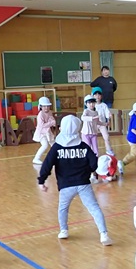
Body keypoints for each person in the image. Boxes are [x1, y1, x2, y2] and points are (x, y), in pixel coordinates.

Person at [37, 115, 111, 245]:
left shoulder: (57, 147)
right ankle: (104, 234)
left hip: (66, 185)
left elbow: (47, 164)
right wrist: (87, 171)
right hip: (84, 184)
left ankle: (63, 230)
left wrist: (41, 180)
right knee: (94, 208)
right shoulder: (83, 146)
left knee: (63, 209)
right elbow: (94, 163)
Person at [121, 102, 136, 171]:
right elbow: (133, 130)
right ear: (135, 112)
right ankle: (123, 163)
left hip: (133, 138)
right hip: (134, 139)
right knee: (134, 154)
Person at [32, 97, 56, 165]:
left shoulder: (50, 112)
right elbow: (42, 125)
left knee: (53, 144)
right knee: (45, 145)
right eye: (44, 106)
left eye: (48, 106)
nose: (46, 108)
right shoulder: (40, 115)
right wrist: (51, 123)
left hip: (47, 132)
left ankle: (57, 157)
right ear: (40, 106)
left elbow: (52, 120)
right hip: (41, 133)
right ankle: (36, 158)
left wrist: (53, 122)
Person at [91, 87, 114, 155]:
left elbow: (107, 113)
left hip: (102, 123)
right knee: (93, 137)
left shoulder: (104, 105)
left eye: (99, 94)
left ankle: (108, 149)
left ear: (101, 96)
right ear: (93, 96)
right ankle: (93, 151)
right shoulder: (92, 105)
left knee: (106, 136)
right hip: (94, 124)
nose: (97, 96)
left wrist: (109, 116)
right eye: (95, 95)